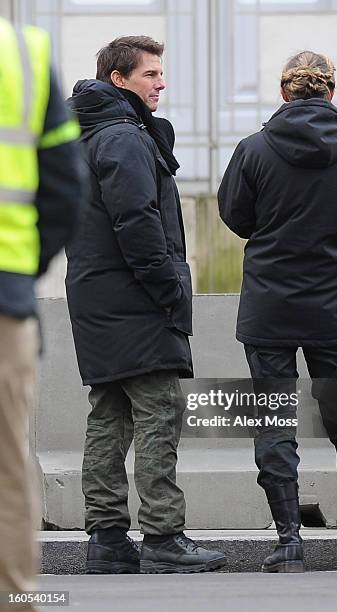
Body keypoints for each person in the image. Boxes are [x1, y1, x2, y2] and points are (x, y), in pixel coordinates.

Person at [218, 50, 337, 573]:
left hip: (268, 312)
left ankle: (290, 543)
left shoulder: (253, 150)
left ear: (284, 93)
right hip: (330, 311)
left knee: (274, 424)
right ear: (332, 93)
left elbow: (235, 215)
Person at [66, 35, 226, 575]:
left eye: (160, 73)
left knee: (108, 417)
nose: (161, 83)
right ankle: (163, 535)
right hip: (135, 298)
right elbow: (137, 221)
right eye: (150, 74)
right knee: (159, 412)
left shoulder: (85, 136)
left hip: (95, 295)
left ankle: (107, 539)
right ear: (119, 80)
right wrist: (170, 290)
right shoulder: (125, 138)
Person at [0, 16, 82, 612]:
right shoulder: (23, 52)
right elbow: (63, 190)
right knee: (6, 464)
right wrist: (20, 278)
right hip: (4, 298)